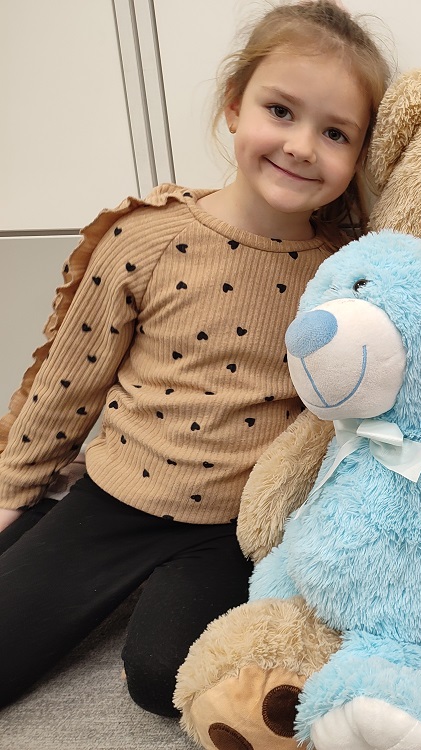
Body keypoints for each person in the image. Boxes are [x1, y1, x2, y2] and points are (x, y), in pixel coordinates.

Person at [0, 0, 390, 718]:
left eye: (334, 132)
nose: (302, 146)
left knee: (165, 679)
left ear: (358, 155)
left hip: (231, 528)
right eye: (281, 111)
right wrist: (12, 489)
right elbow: (69, 381)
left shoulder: (346, 272)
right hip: (115, 497)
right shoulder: (146, 239)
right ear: (235, 106)